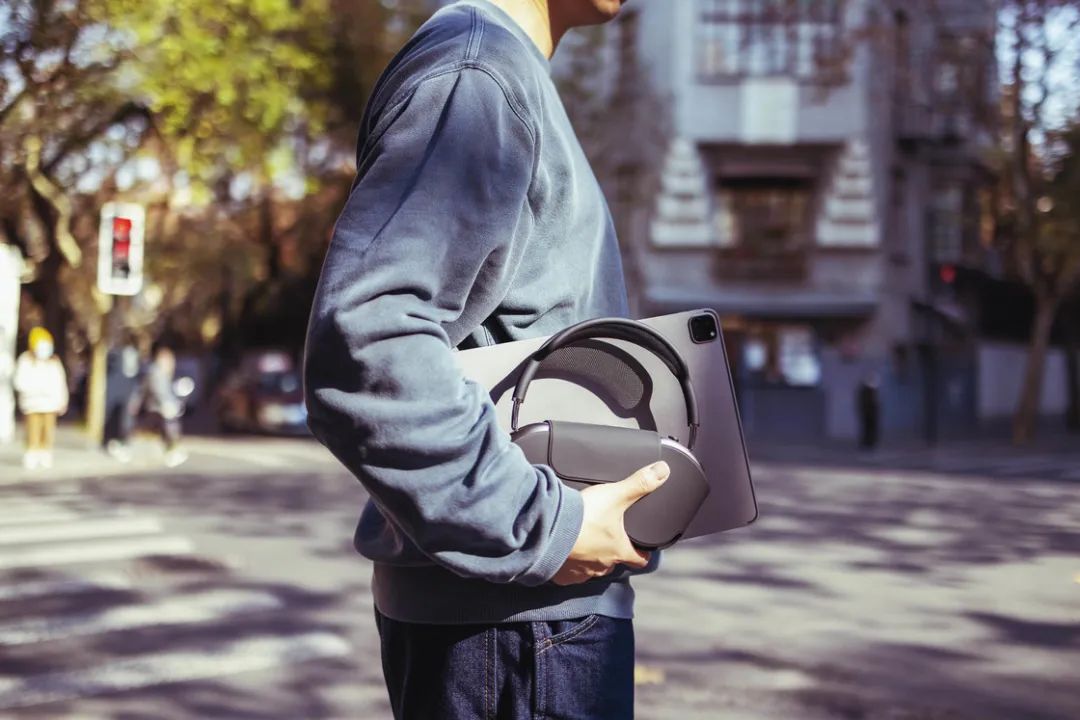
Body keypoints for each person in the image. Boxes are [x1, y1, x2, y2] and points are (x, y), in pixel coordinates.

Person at [303, 1, 667, 718]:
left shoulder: (494, 71)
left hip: (523, 625)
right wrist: (543, 527)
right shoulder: (479, 75)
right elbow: (367, 341)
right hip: (517, 632)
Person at [13, 326, 68, 470]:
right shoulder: (25, 360)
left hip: (50, 403)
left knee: (48, 429)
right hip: (32, 403)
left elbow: (60, 383)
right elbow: (20, 381)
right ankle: (32, 452)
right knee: (32, 429)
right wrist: (34, 390)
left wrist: (62, 400)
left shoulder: (54, 362)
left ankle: (45, 453)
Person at [142, 342, 187, 467]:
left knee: (168, 429)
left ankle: (171, 451)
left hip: (162, 406)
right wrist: (166, 403)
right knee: (169, 428)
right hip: (159, 407)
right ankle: (171, 452)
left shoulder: (160, 372)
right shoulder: (157, 372)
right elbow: (159, 390)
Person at [103, 339, 142, 462]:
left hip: (126, 392)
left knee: (126, 419)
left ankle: (122, 443)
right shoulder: (116, 359)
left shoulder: (132, 378)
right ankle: (115, 442)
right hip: (117, 393)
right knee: (116, 419)